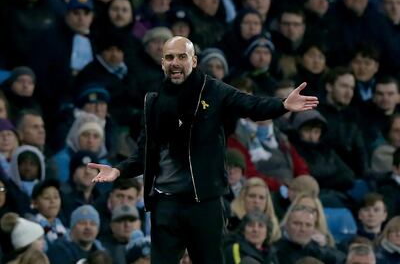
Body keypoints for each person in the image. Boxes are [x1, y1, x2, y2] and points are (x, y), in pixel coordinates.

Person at [88, 36, 318, 263]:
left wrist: (282, 105)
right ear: (162, 63)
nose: (175, 62)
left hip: (204, 202)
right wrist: (118, 171)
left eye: (182, 56)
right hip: (165, 202)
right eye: (169, 57)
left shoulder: (214, 91)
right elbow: (144, 154)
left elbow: (251, 105)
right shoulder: (153, 102)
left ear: (194, 61)